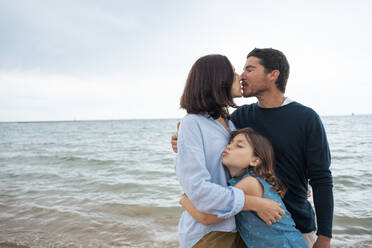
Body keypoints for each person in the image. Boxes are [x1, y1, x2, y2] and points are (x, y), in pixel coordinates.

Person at [172, 48, 333, 248]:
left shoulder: (306, 118)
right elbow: (212, 155)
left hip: (295, 224)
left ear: (273, 75)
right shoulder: (239, 118)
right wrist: (181, 144)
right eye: (239, 71)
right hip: (249, 228)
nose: (241, 76)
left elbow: (321, 177)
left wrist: (325, 236)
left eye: (249, 69)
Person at [175, 54, 285, 248]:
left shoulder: (230, 123)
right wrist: (254, 203)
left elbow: (249, 166)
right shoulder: (192, 123)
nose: (240, 77)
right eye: (233, 73)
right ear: (217, 80)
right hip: (208, 234)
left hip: (240, 228)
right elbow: (198, 189)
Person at [180, 127, 308, 247]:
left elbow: (206, 218)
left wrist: (184, 200)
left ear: (254, 160)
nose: (229, 147)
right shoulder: (240, 181)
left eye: (239, 146)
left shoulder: (250, 183)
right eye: (230, 143)